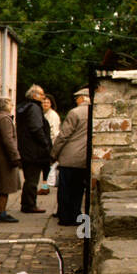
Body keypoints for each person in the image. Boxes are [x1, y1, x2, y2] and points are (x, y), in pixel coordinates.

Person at [52, 88, 91, 228]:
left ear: (82, 98)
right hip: (84, 159)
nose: (76, 101)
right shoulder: (94, 112)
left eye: (77, 98)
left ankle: (64, 217)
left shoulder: (75, 112)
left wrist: (54, 153)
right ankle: (76, 215)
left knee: (65, 189)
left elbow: (64, 135)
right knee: (78, 190)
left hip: (70, 157)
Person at [15, 85, 52, 214]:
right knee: (32, 179)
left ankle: (27, 203)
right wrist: (45, 144)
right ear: (35, 95)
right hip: (34, 151)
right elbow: (36, 128)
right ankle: (29, 205)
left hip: (26, 148)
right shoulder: (34, 108)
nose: (44, 97)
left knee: (29, 177)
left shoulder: (23, 107)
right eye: (41, 94)